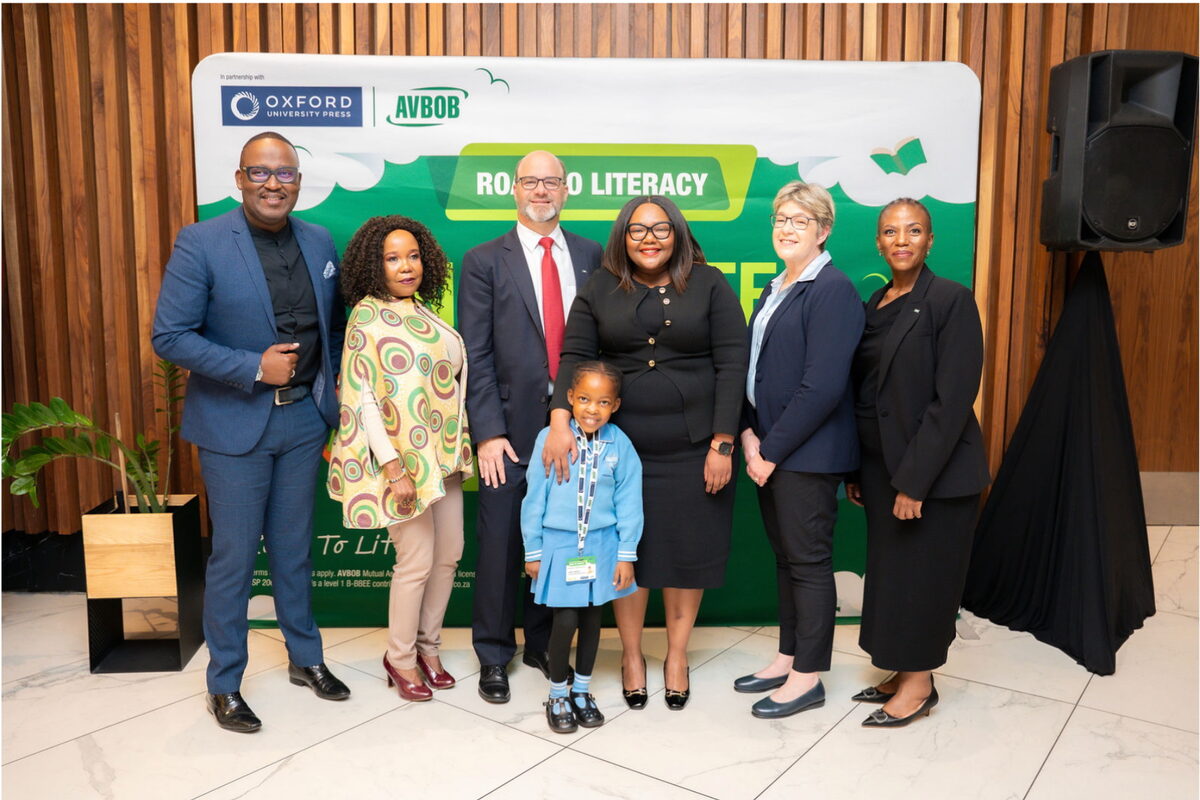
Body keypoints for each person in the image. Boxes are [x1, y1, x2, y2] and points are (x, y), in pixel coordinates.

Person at [152, 131, 350, 733]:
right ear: (239, 179)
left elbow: (332, 330)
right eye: (259, 172)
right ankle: (225, 684)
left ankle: (305, 658)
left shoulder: (319, 240)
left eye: (284, 173)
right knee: (235, 558)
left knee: (294, 551)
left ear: (298, 182)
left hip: (303, 421)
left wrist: (333, 401)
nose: (272, 184)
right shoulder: (202, 241)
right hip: (234, 424)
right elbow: (170, 336)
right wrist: (253, 368)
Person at [543, 195, 748, 710]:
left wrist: (723, 442)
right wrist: (559, 421)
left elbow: (733, 362)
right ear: (623, 237)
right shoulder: (600, 287)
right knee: (626, 552)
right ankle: (632, 656)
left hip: (696, 450)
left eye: (660, 229)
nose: (649, 239)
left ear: (677, 234)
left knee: (687, 553)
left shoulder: (710, 283)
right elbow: (574, 356)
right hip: (618, 453)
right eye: (637, 230)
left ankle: (676, 655)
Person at [458, 150, 603, 703]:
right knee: (500, 542)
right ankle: (494, 654)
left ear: (567, 190)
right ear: (514, 189)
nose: (541, 190)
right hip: (508, 429)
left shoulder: (590, 255)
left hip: (575, 425)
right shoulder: (483, 260)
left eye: (551, 182)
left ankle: (543, 644)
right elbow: (475, 352)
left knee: (561, 536)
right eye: (530, 181)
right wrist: (488, 432)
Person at [845, 197, 991, 727]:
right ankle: (902, 669)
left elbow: (952, 401)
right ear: (878, 242)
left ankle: (919, 685)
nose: (901, 240)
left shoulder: (951, 300)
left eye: (913, 230)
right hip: (880, 470)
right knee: (893, 577)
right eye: (891, 231)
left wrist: (914, 482)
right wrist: (858, 470)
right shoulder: (877, 301)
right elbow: (866, 390)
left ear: (930, 241)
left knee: (925, 579)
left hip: (933, 476)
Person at [327, 216, 473, 702]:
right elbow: (361, 397)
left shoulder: (423, 312)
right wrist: (392, 467)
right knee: (416, 560)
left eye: (413, 256)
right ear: (375, 265)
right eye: (393, 258)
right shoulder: (366, 317)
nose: (406, 266)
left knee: (449, 554)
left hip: (442, 456)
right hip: (402, 464)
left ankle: (429, 649)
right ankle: (401, 657)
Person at [734, 182, 865, 718]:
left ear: (823, 230)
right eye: (781, 219)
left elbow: (823, 386)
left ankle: (808, 677)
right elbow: (756, 371)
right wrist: (748, 434)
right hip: (769, 448)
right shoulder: (777, 287)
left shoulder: (832, 289)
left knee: (809, 564)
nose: (787, 229)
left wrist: (770, 451)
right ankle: (788, 657)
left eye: (800, 220)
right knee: (787, 560)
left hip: (805, 456)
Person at [522, 362, 643, 733]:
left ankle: (581, 691)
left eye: (603, 402)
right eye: (585, 399)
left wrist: (626, 554)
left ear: (615, 405)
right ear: (570, 398)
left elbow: (630, 501)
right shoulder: (550, 438)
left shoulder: (620, 444)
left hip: (602, 546)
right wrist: (533, 550)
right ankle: (557, 694)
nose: (593, 409)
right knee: (565, 620)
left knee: (593, 620)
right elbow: (534, 498)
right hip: (560, 546)